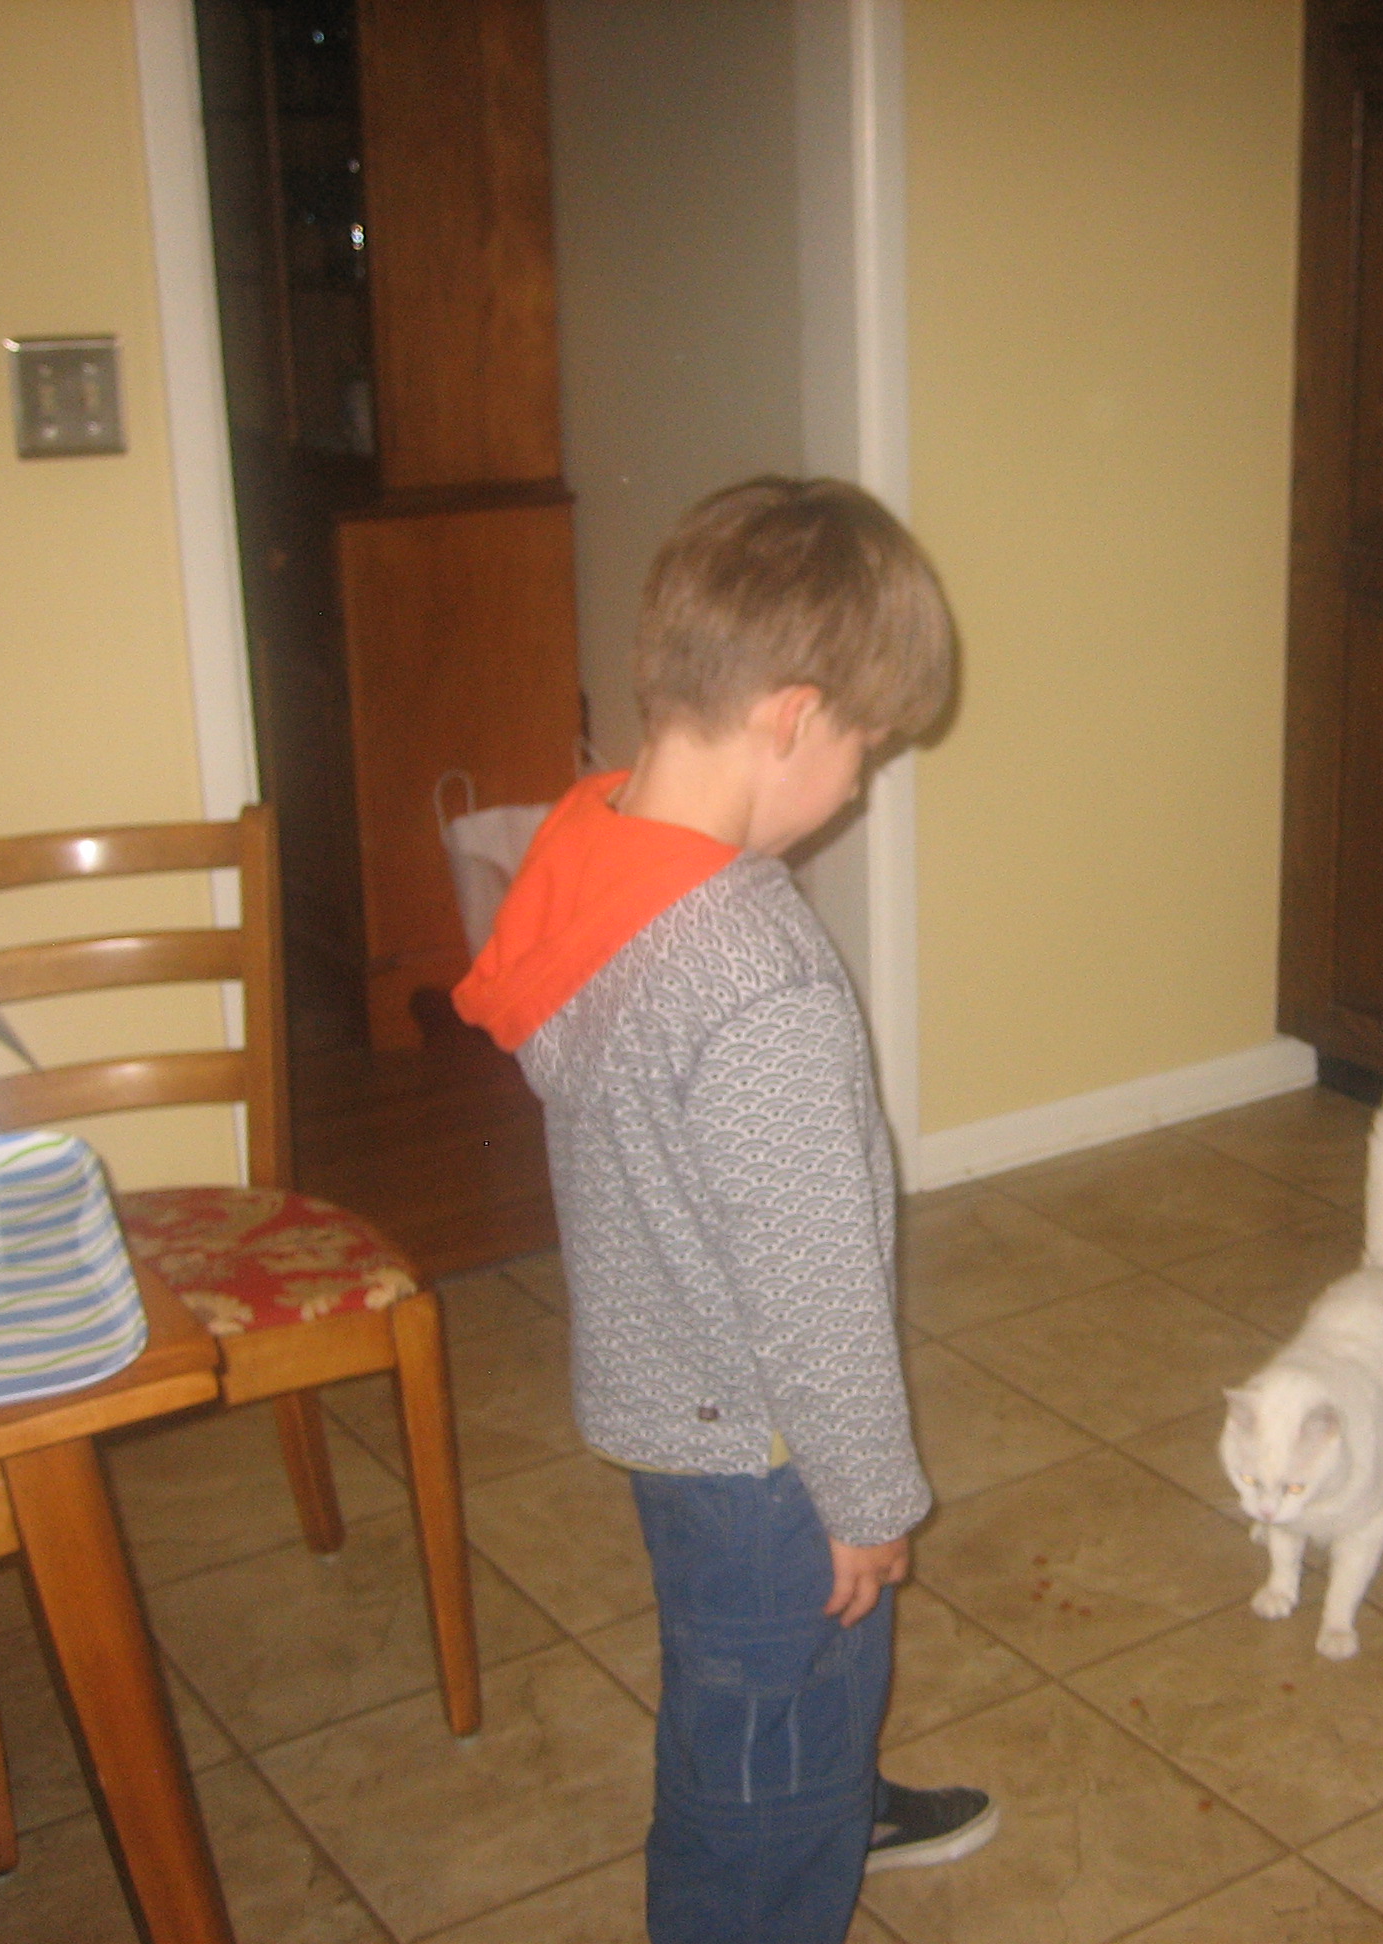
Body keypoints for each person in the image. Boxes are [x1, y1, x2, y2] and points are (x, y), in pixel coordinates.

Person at [453, 477, 991, 1944]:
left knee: (743, 1690)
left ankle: (819, 1789)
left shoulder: (591, 849)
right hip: (765, 1454)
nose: (864, 783)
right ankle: (783, 1841)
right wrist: (869, 1503)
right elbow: (814, 1284)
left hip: (664, 1392)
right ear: (791, 717)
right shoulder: (756, 978)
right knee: (762, 1748)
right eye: (867, 745)